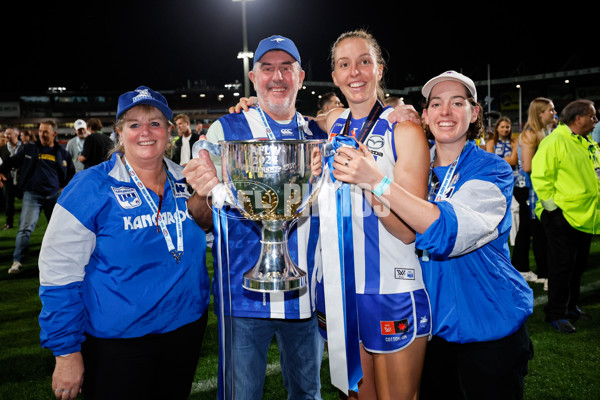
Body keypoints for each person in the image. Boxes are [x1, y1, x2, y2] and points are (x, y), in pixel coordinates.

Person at [334, 70, 534, 399]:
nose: (446, 111)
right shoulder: (412, 161)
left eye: (457, 103)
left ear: (474, 113)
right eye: (436, 104)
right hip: (431, 332)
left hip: (488, 328)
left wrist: (378, 183)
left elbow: (444, 232)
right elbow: (333, 117)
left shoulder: (492, 169)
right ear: (424, 115)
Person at [38, 86, 211, 400]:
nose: (145, 132)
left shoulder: (187, 181)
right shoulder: (90, 186)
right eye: (134, 124)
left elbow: (213, 236)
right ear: (119, 133)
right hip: (117, 345)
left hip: (185, 332)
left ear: (169, 131)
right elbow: (58, 273)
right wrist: (65, 352)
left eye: (155, 123)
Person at [183, 35, 325, 400]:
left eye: (286, 68)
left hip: (308, 295)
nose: (277, 77)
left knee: (307, 394)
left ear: (301, 76)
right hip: (242, 296)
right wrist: (202, 191)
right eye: (267, 68)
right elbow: (199, 216)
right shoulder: (225, 131)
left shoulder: (320, 134)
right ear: (253, 75)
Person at [316, 29, 431, 400]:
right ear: (334, 76)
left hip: (391, 286)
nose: (355, 73)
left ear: (379, 69)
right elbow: (318, 116)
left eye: (364, 62)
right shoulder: (335, 126)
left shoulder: (406, 130)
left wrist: (372, 183)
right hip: (341, 288)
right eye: (344, 64)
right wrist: (252, 104)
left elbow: (409, 232)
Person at [531, 99, 599, 333]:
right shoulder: (555, 141)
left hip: (585, 216)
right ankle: (556, 313)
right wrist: (553, 211)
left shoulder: (584, 141)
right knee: (561, 267)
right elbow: (540, 177)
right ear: (577, 118)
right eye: (591, 116)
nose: (595, 120)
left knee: (578, 266)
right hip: (563, 216)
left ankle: (571, 306)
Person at [0, 120, 75, 275]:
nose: (41, 134)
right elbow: (12, 162)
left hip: (54, 196)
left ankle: (62, 261)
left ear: (54, 134)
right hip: (32, 195)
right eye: (40, 131)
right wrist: (1, 171)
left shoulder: (63, 153)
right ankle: (17, 261)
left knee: (59, 230)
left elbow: (71, 175)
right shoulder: (30, 148)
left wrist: (63, 189)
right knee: (25, 229)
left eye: (45, 131)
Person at [512, 97, 555, 285]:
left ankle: (522, 268)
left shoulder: (543, 131)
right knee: (537, 231)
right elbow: (528, 166)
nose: (554, 113)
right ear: (540, 113)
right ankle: (542, 273)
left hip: (535, 188)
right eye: (550, 110)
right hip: (529, 189)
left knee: (529, 230)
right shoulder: (530, 134)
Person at [0, 127, 21, 230]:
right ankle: (9, 223)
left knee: (27, 201)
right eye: (5, 134)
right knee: (9, 202)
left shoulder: (24, 148)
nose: (6, 136)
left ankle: (27, 222)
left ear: (16, 135)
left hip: (22, 179)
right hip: (8, 179)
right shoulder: (2, 148)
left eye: (8, 134)